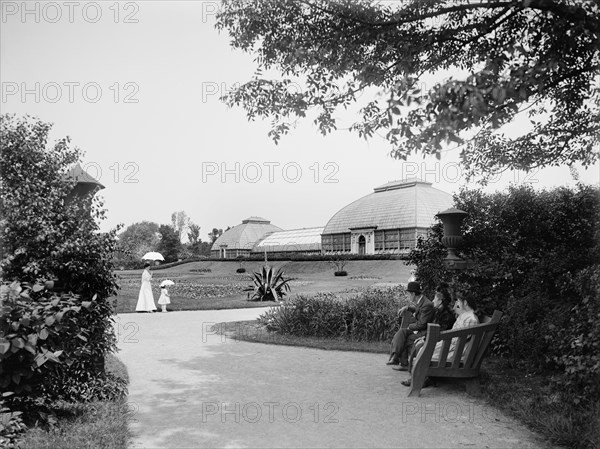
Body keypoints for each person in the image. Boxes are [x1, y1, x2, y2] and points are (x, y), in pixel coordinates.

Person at [401, 289, 479, 387]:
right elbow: (456, 334)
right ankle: (423, 378)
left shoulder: (470, 319)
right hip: (453, 345)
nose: (457, 303)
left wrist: (440, 340)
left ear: (465, 302)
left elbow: (460, 339)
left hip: (456, 351)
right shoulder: (465, 316)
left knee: (425, 350)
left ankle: (418, 380)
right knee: (423, 348)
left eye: (458, 301)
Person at [400, 282, 456, 387]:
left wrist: (425, 339)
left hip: (442, 343)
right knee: (417, 343)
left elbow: (440, 332)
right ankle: (417, 375)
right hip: (439, 340)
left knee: (420, 345)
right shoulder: (439, 312)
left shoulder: (445, 315)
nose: (433, 301)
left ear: (440, 301)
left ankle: (418, 378)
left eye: (435, 299)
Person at [387, 281, 435, 370]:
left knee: (405, 337)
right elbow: (419, 311)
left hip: (424, 332)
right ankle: (395, 356)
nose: (408, 296)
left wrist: (410, 326)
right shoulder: (421, 301)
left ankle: (401, 361)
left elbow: (422, 324)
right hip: (419, 330)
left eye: (408, 294)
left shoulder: (426, 304)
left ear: (413, 294)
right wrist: (408, 307)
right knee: (402, 332)